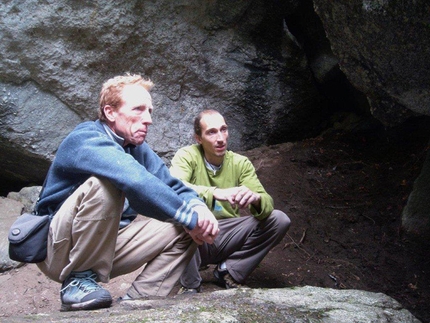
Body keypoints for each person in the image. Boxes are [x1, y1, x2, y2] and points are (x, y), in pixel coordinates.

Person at [34, 74, 219, 311]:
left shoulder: (136, 148)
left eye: (150, 111)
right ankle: (76, 283)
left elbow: (170, 184)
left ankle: (137, 304)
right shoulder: (86, 138)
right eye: (139, 109)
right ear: (110, 112)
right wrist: (189, 217)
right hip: (58, 248)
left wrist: (198, 208)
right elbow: (134, 179)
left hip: (106, 246)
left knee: (183, 230)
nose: (149, 119)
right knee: (107, 183)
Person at [169, 109, 291, 293]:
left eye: (223, 129)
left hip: (226, 235)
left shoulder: (240, 163)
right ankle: (190, 285)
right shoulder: (187, 156)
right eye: (211, 132)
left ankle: (229, 271)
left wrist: (256, 199)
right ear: (198, 138)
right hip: (195, 235)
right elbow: (174, 188)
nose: (220, 138)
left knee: (279, 219)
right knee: (180, 220)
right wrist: (215, 193)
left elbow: (266, 202)